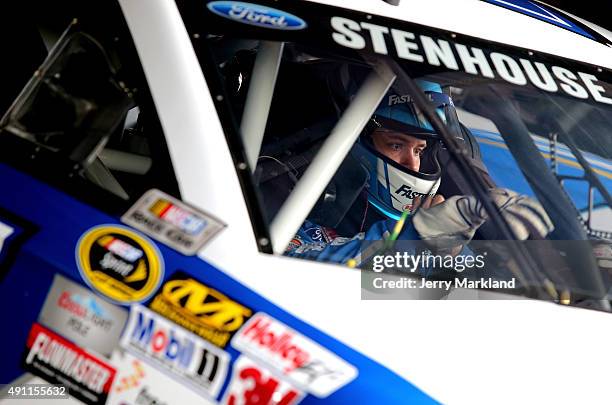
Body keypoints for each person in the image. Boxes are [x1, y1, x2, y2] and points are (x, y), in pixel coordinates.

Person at [285, 80, 553, 265]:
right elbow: (305, 272)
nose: (412, 165)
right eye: (396, 145)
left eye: (419, 150)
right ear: (357, 140)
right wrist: (418, 235)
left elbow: (473, 299)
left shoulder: (438, 227)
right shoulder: (295, 219)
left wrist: (449, 251)